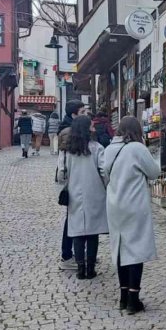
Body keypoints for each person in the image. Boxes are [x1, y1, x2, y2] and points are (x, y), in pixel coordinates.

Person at [102, 116, 161, 315]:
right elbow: (154, 172)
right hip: (134, 204)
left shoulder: (109, 149)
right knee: (135, 249)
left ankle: (123, 295)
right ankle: (133, 300)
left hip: (114, 204)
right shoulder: (137, 149)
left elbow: (104, 175)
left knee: (120, 248)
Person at [60, 116, 108, 280]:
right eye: (92, 126)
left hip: (74, 194)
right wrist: (107, 186)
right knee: (92, 233)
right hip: (94, 193)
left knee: (78, 232)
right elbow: (104, 171)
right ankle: (90, 268)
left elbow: (61, 174)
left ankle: (80, 269)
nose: (94, 128)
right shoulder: (97, 148)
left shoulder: (68, 151)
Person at [57, 99, 86, 271]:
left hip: (75, 181)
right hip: (73, 182)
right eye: (82, 112)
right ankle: (67, 255)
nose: (85, 115)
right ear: (74, 114)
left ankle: (76, 254)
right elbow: (63, 160)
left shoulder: (72, 129)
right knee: (72, 219)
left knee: (75, 218)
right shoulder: (69, 131)